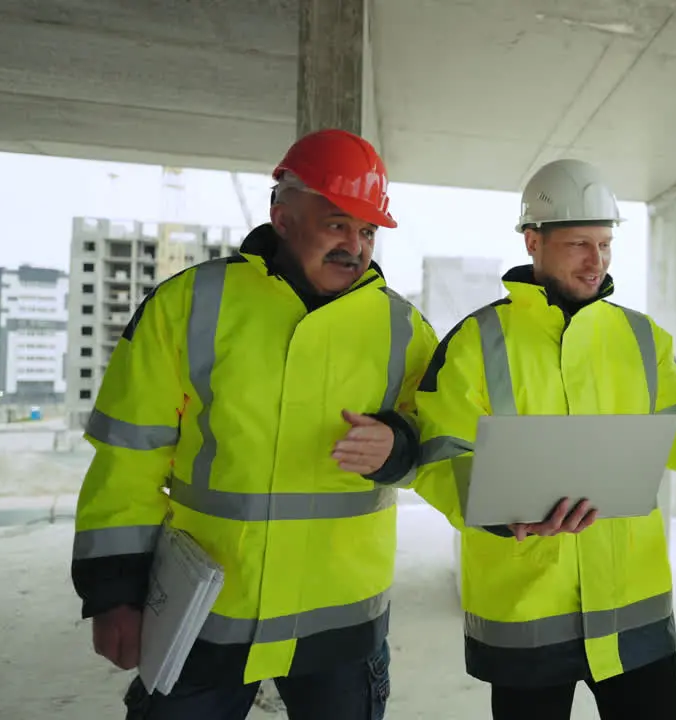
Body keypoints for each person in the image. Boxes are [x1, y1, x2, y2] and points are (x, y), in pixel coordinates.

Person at [70, 128, 440, 720]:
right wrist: (114, 592)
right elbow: (128, 457)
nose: (356, 246)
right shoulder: (190, 304)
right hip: (206, 615)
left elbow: (437, 443)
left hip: (340, 623)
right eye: (338, 223)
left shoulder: (403, 328)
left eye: (367, 231)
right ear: (283, 215)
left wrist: (399, 445)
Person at [412, 158, 676, 720]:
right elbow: (436, 456)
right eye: (579, 244)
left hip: (632, 617)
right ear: (533, 241)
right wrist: (501, 510)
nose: (596, 260)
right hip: (527, 616)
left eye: (605, 243)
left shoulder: (641, 338)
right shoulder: (476, 342)